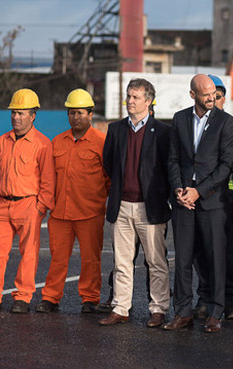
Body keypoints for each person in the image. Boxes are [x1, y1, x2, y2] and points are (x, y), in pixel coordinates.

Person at [165, 74, 233, 332]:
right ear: (192, 94)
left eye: (214, 94)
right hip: (183, 200)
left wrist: (199, 191)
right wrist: (179, 189)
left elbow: (225, 166)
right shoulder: (179, 119)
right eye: (206, 94)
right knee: (182, 259)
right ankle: (182, 313)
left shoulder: (226, 122)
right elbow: (173, 159)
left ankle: (215, 312)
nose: (211, 98)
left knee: (215, 257)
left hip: (212, 201)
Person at [0, 89, 54, 314]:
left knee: (29, 253)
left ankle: (23, 297)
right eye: (13, 113)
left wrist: (40, 208)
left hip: (28, 205)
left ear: (33, 115)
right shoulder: (2, 141)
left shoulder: (43, 144)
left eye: (21, 113)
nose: (16, 117)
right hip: (0, 205)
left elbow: (48, 180)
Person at [98, 79, 172, 327]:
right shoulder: (116, 129)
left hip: (150, 207)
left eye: (135, 97)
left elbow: (167, 168)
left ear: (148, 102)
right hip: (121, 207)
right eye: (128, 96)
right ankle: (120, 308)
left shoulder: (162, 132)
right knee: (121, 262)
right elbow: (108, 163)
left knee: (156, 262)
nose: (129, 101)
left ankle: (159, 309)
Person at [35, 89, 109, 314]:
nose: (75, 117)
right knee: (57, 259)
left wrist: (104, 204)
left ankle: (89, 298)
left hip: (90, 212)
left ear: (90, 114)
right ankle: (51, 297)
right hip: (60, 214)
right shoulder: (57, 142)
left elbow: (110, 178)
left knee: (90, 259)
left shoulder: (101, 142)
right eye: (71, 113)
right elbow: (47, 176)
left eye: (79, 112)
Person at [192, 74, 233, 321]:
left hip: (227, 202)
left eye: (219, 96)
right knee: (201, 252)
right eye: (211, 95)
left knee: (228, 254)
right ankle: (205, 297)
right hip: (202, 200)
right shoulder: (195, 124)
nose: (215, 99)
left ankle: (229, 301)